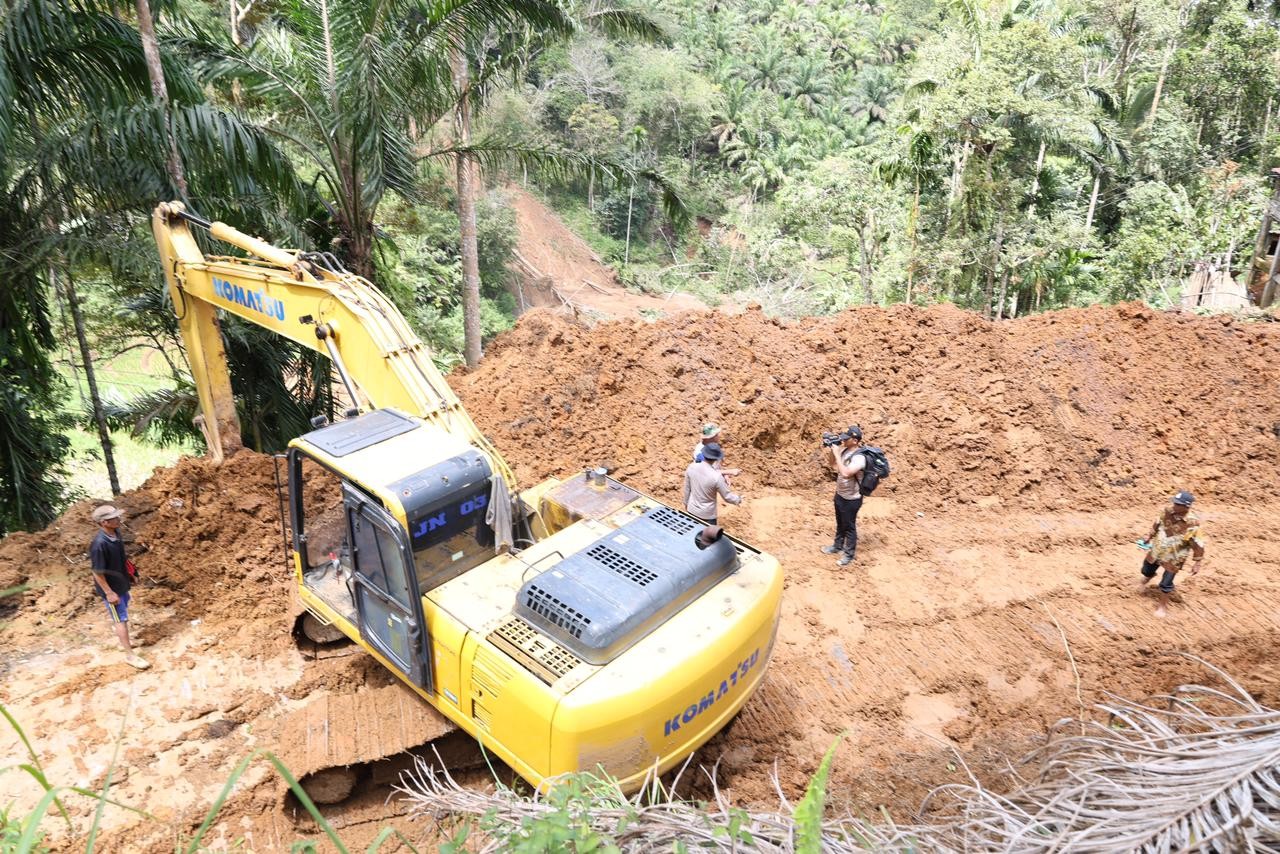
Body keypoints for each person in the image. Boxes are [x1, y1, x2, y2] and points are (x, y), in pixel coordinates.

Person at [89, 505, 149, 669]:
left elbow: (122, 557)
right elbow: (97, 572)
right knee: (120, 619)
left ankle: (126, 642)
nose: (118, 519)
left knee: (123, 614)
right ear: (104, 522)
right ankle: (130, 656)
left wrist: (132, 572)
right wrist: (109, 593)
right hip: (112, 589)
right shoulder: (99, 544)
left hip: (121, 583)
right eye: (114, 517)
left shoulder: (116, 534)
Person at [1139, 491, 1206, 618]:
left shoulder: (1193, 523)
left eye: (1178, 504)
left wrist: (1197, 562)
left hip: (1175, 556)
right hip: (1158, 549)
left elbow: (1198, 543)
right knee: (1146, 569)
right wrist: (1149, 536)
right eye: (1174, 503)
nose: (1174, 505)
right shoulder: (1167, 512)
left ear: (1186, 507)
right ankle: (1149, 576)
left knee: (1166, 583)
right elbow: (1157, 523)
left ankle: (1162, 606)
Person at [823, 426, 866, 567]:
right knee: (840, 523)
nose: (844, 441)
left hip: (852, 498)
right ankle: (837, 546)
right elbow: (833, 464)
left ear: (855, 441)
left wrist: (837, 454)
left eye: (847, 439)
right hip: (840, 494)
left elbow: (846, 473)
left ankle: (849, 554)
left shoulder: (860, 457)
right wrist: (833, 450)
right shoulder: (845, 451)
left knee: (849, 526)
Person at [683, 444, 742, 526]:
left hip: (692, 509)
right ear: (716, 459)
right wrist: (738, 499)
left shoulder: (691, 467)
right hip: (707, 515)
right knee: (708, 534)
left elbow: (687, 489)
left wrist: (686, 503)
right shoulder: (716, 477)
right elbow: (727, 496)